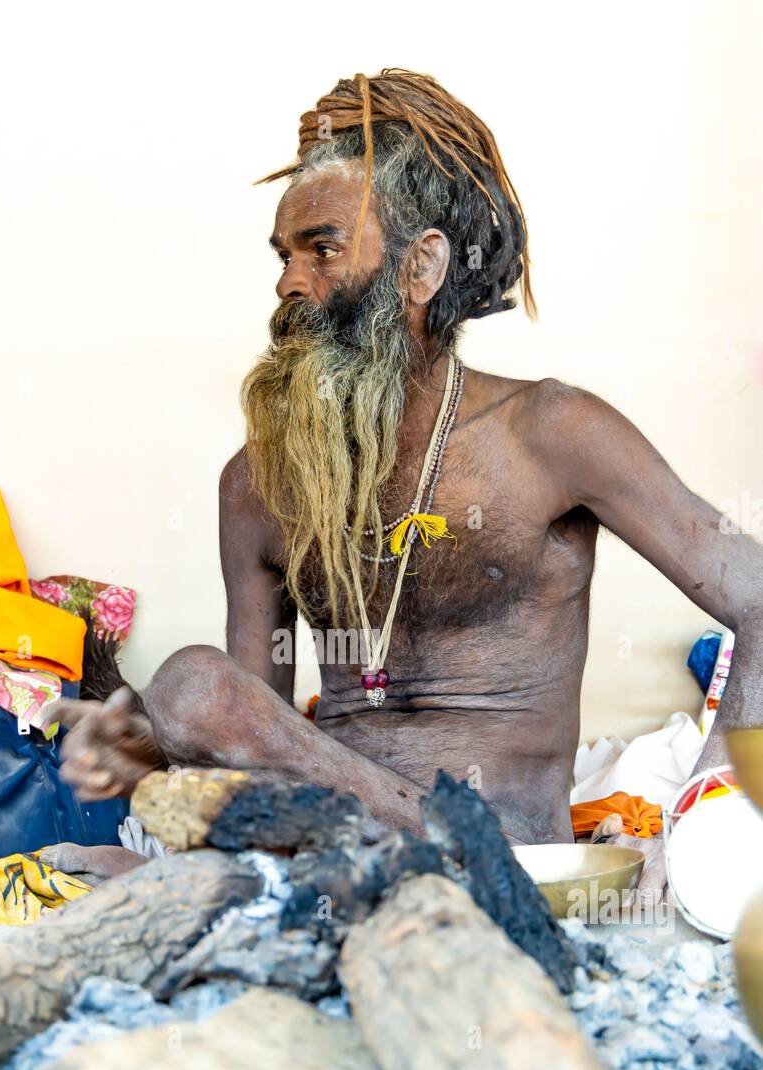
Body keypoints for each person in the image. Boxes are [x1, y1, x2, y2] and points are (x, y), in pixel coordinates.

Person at [53, 69, 763, 854]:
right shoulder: (256, 484)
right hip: (338, 848)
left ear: (420, 268)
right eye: (284, 256)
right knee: (188, 695)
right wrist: (147, 747)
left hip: (511, 850)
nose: (290, 283)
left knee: (190, 686)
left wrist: (697, 830)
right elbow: (249, 729)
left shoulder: (551, 430)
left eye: (322, 249)